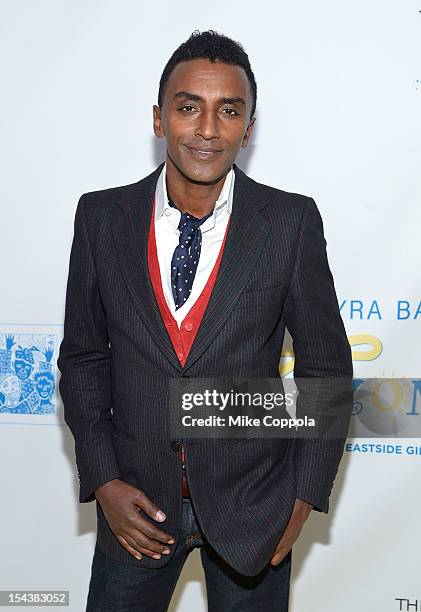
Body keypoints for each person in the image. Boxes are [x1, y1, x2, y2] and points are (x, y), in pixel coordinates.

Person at [58, 29, 353, 612]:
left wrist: (302, 495)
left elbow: (326, 366)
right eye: (188, 107)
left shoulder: (289, 222)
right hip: (135, 510)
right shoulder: (100, 218)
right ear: (159, 118)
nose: (207, 128)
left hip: (254, 505)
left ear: (248, 128)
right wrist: (104, 480)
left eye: (229, 111)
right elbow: (85, 358)